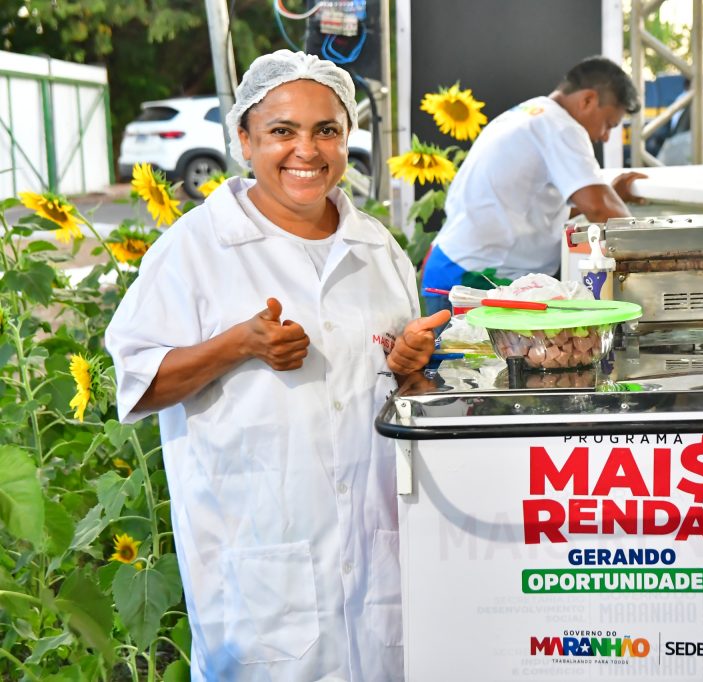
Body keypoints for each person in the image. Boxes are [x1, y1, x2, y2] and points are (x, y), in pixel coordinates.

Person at [105, 50, 448, 682]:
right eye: (282, 131)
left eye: (327, 130)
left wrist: (408, 368)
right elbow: (136, 385)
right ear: (244, 139)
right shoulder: (196, 248)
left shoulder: (377, 249)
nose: (307, 151)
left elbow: (398, 389)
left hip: (376, 562)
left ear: (347, 138)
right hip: (260, 568)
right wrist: (238, 344)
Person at [421, 55, 647, 316]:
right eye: (608, 124)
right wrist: (649, 254)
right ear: (587, 100)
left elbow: (532, 207)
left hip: (455, 267)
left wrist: (611, 195)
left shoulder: (529, 113)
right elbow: (598, 207)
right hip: (474, 281)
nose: (605, 137)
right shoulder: (561, 126)